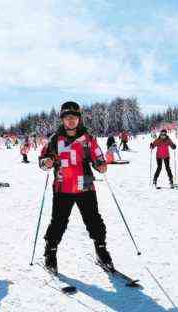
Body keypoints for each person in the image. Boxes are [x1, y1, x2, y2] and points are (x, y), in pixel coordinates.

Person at [38, 101, 113, 273]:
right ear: (62, 119)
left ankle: (101, 249)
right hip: (62, 186)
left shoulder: (88, 139)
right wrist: (46, 162)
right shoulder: (55, 140)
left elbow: (98, 156)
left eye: (74, 117)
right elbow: (42, 161)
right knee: (58, 222)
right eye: (67, 117)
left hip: (84, 184)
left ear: (79, 119)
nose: (71, 120)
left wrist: (101, 165)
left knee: (94, 219)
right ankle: (50, 251)